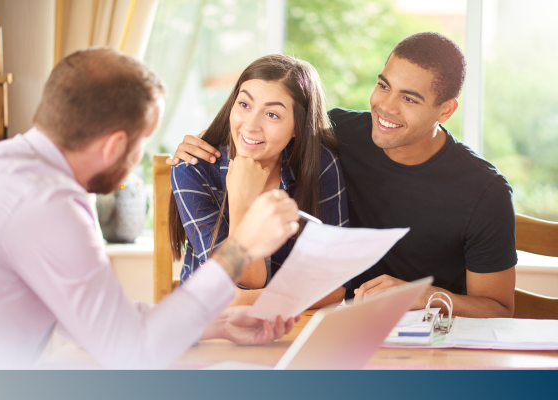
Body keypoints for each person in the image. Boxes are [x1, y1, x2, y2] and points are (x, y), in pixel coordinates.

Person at [0, 48, 301, 369]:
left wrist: (221, 324)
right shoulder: (49, 203)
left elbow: (94, 324)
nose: (137, 159)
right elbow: (131, 352)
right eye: (142, 144)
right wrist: (240, 249)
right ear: (114, 146)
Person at [166, 32, 517, 318]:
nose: (386, 107)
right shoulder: (336, 136)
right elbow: (258, 126)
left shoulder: (484, 192)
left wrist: (423, 295)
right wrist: (198, 151)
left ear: (446, 110)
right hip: (326, 320)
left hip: (420, 333)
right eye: (383, 86)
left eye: (409, 99)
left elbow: (499, 309)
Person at [169, 54, 349, 307]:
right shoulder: (194, 170)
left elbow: (335, 286)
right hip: (208, 327)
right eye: (244, 105)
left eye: (272, 114)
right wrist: (243, 199)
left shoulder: (318, 165)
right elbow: (245, 278)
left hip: (289, 324)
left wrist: (245, 300)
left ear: (298, 126)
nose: (250, 125)